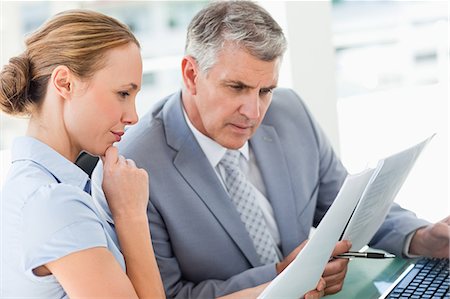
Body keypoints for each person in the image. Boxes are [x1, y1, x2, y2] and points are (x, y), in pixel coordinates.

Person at [91, 1, 450, 298]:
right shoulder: (135, 167)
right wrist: (281, 274)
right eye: (236, 87)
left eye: (266, 91)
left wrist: (421, 237)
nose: (254, 112)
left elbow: (350, 207)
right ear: (190, 75)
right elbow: (169, 294)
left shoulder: (290, 111)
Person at [0, 8, 325, 299]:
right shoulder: (54, 204)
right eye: (123, 93)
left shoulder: (49, 189)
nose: (133, 116)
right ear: (65, 84)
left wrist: (280, 286)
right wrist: (131, 214)